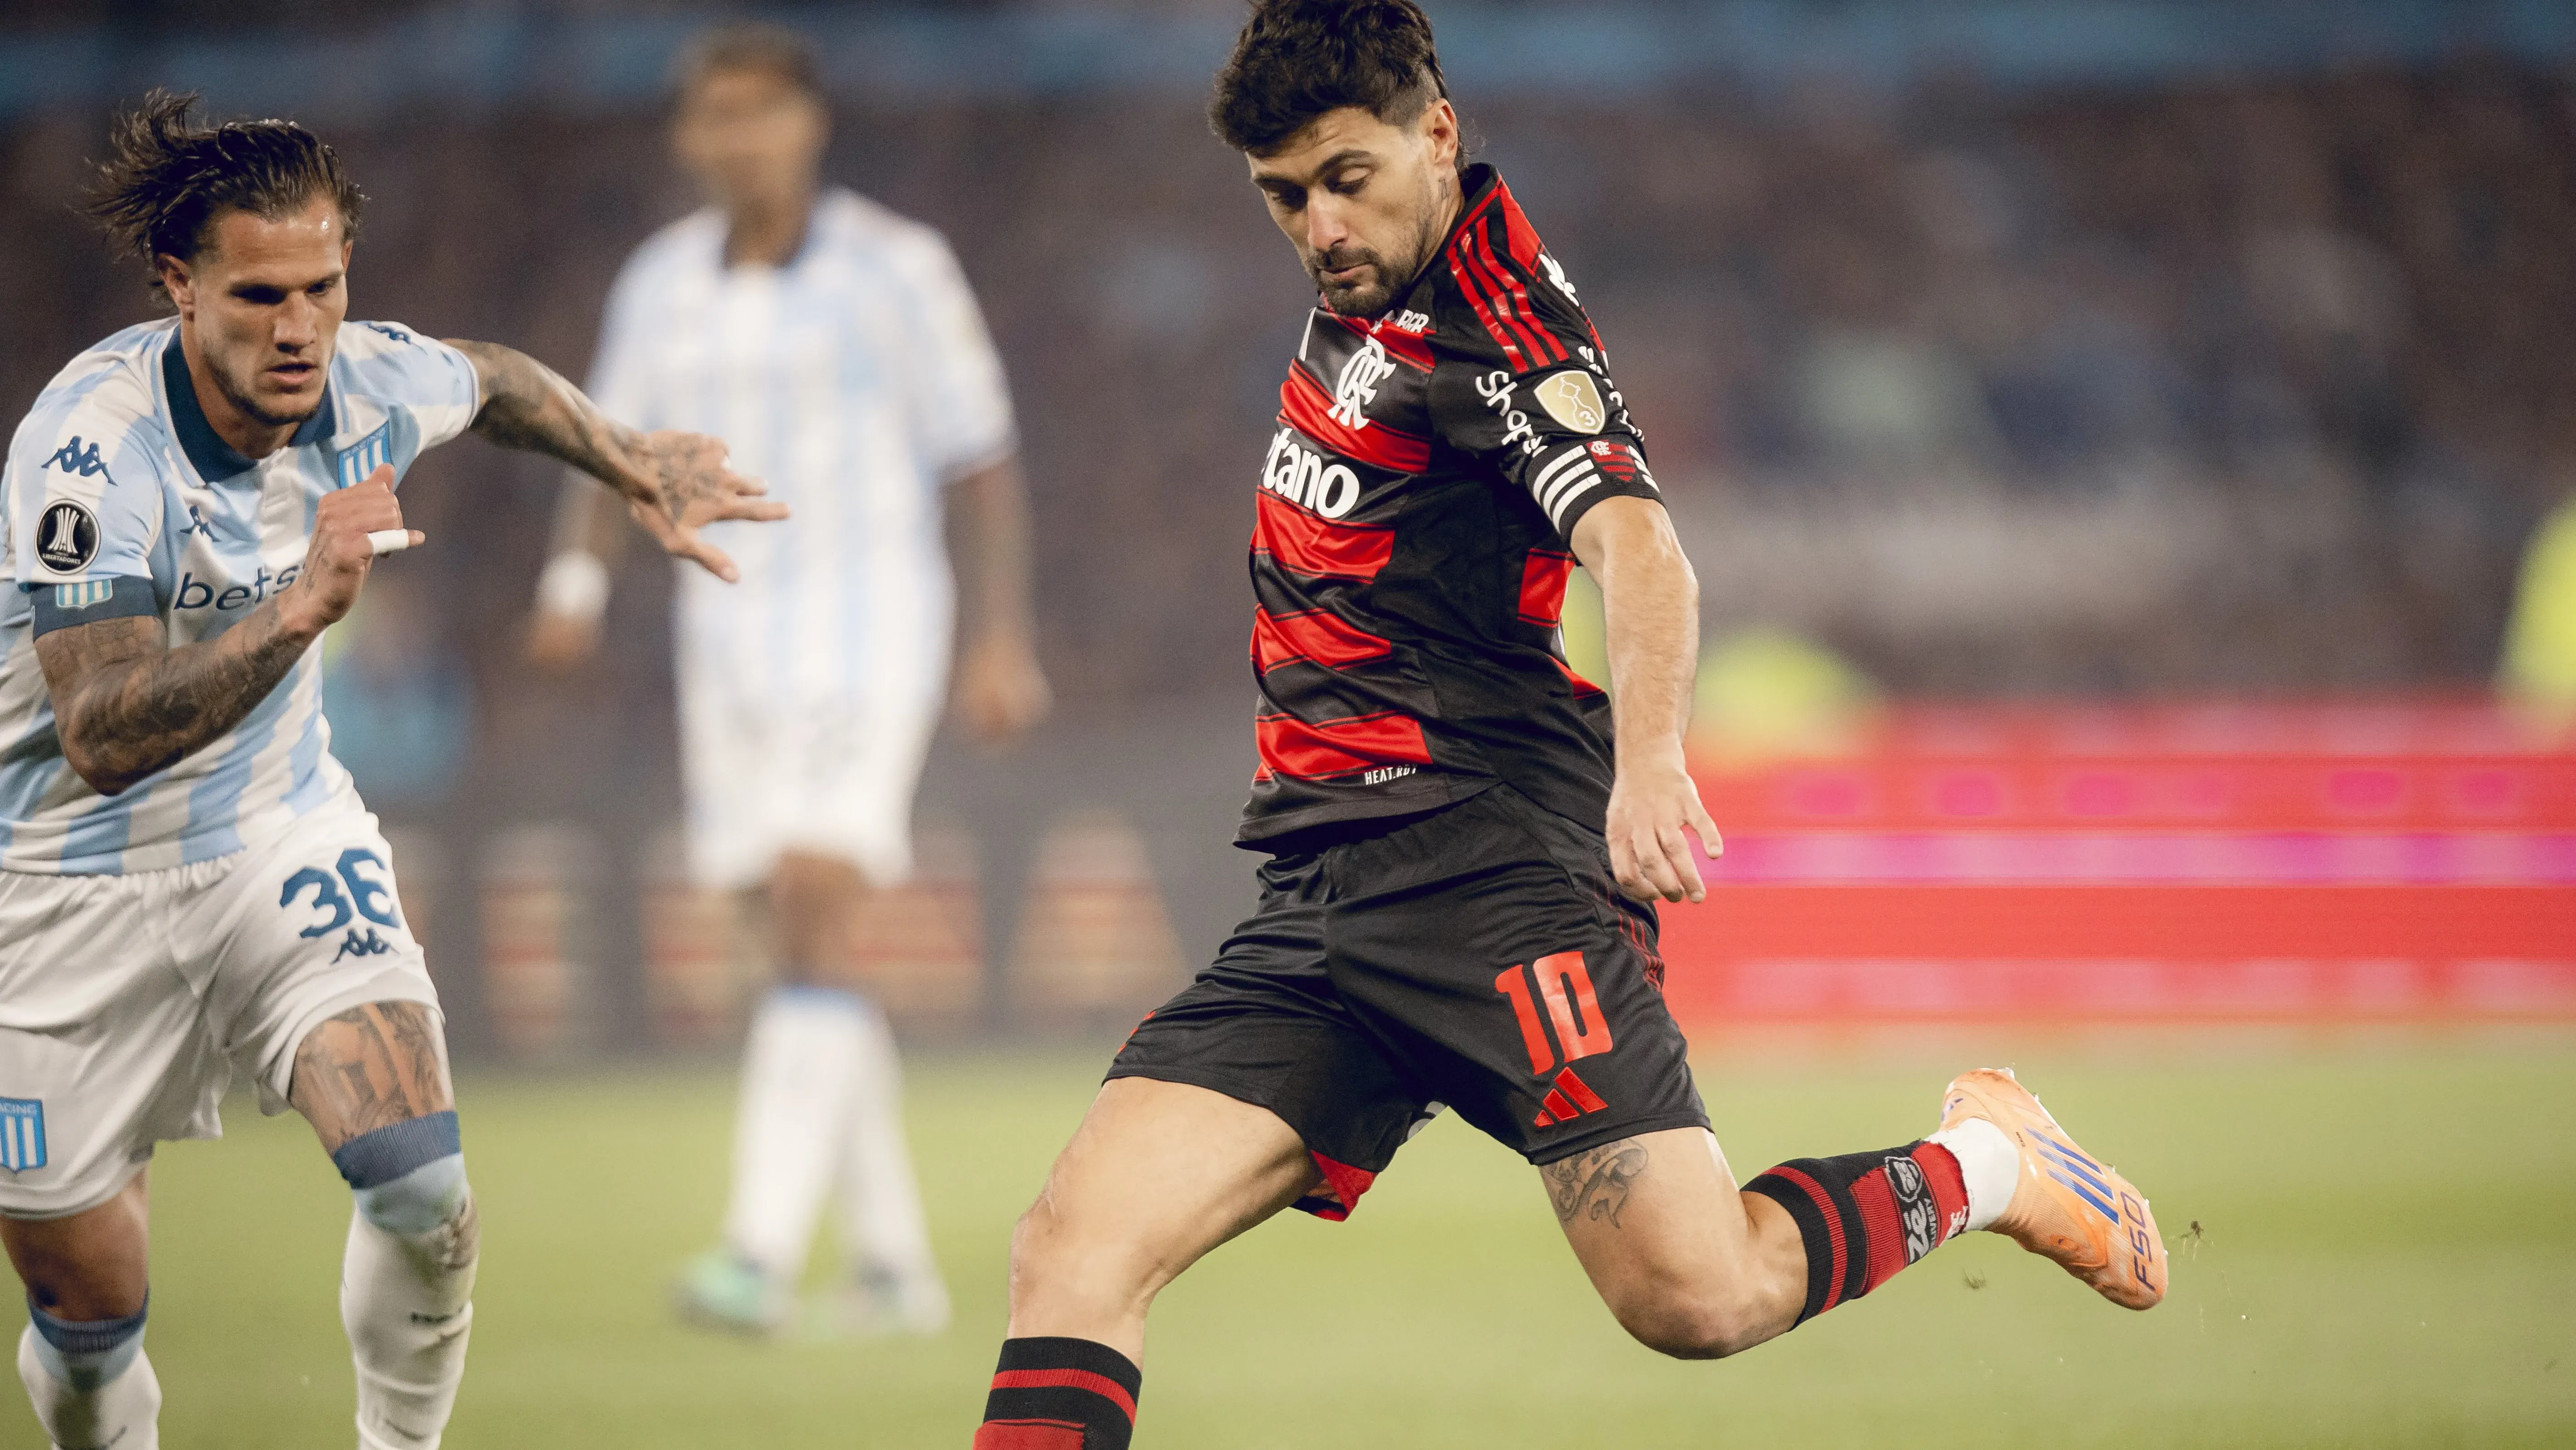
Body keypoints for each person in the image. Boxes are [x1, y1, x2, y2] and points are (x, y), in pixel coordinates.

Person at [967, 5, 2167, 1445]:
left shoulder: (1500, 323)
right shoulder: (1367, 280)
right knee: (1073, 1250)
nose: (1318, 223)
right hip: (1325, 899)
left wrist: (1653, 759)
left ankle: (1987, 1165)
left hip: (1493, 875)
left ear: (1438, 134)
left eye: (1346, 176)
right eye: (1284, 195)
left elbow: (1641, 547)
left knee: (1698, 1297)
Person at [0, 93, 780, 1450]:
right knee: (91, 1305)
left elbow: (494, 382)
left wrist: (630, 456)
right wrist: (297, 611)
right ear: (178, 286)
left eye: (325, 286)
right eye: (260, 295)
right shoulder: (90, 453)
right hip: (58, 887)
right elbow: (103, 732)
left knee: (425, 1187)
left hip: (273, 832)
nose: (301, 327)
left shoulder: (367, 375)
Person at [523, 24, 1049, 1339]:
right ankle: (892, 1266)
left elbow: (980, 457)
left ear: (809, 124)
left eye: (763, 111)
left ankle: (756, 1251)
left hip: (874, 622)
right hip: (730, 641)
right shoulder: (660, 284)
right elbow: (609, 445)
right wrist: (574, 589)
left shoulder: (897, 267)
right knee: (791, 940)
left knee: (818, 895)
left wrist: (1000, 638)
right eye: (717, 114)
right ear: (688, 135)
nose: (740, 136)